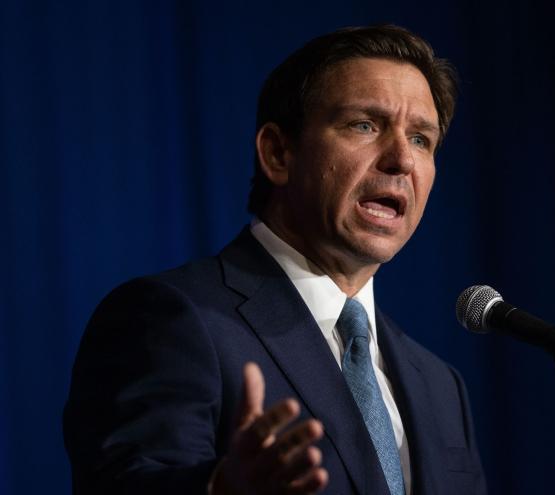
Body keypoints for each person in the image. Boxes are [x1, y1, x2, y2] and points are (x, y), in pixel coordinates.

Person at [64, 25, 487, 495]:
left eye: (421, 139)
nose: (401, 160)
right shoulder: (172, 319)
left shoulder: (440, 386)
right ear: (278, 153)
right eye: (365, 125)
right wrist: (221, 489)